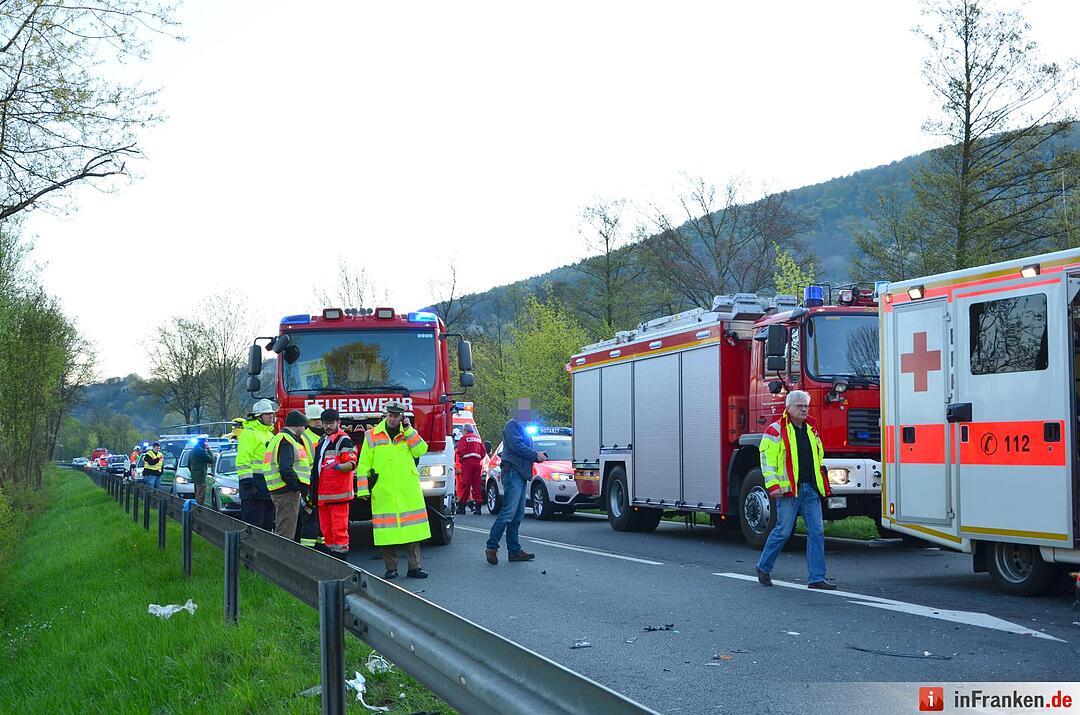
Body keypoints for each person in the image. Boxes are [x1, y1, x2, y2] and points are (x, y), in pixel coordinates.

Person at [755, 389, 836, 590]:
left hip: (810, 490)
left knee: (817, 532)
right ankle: (763, 567)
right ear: (788, 408)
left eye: (805, 406)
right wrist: (773, 486)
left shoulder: (811, 429)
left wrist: (822, 486)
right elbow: (768, 462)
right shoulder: (775, 431)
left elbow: (817, 459)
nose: (803, 410)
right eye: (799, 406)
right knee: (783, 532)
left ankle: (816, 578)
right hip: (789, 491)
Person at [356, 401, 430, 579]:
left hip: (407, 490)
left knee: (412, 531)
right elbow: (363, 464)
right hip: (384, 489)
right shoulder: (372, 435)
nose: (392, 419)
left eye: (396, 416)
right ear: (385, 415)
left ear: (402, 417)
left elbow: (421, 450)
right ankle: (391, 568)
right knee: (385, 532)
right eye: (390, 415)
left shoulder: (409, 434)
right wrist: (363, 490)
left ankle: (415, 568)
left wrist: (409, 430)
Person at [486, 399, 547, 565]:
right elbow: (517, 446)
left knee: (517, 515)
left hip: (519, 473)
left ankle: (514, 550)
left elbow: (521, 446)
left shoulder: (522, 428)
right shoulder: (512, 425)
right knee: (508, 513)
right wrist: (536, 455)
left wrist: (537, 453)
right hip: (512, 472)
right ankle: (491, 547)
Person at [313, 409, 357, 556]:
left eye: (331, 423)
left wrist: (337, 466)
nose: (328, 426)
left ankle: (341, 561)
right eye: (325, 423)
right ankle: (332, 560)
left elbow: (352, 464)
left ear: (338, 422)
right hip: (323, 495)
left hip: (339, 495)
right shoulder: (322, 440)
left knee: (339, 531)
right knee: (327, 532)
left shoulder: (344, 440)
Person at [264, 410, 311, 540]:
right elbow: (285, 469)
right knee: (286, 531)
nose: (305, 429)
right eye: (304, 426)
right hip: (286, 491)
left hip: (279, 489)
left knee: (284, 526)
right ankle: (281, 558)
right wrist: (296, 486)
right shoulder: (287, 440)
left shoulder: (279, 438)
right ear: (297, 426)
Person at [238, 399, 277, 530]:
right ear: (259, 417)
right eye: (267, 414)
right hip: (253, 486)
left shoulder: (270, 434)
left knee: (267, 525)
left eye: (272, 414)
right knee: (253, 526)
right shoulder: (249, 433)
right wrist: (248, 484)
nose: (271, 416)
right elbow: (243, 460)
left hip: (267, 486)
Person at [298, 404, 326, 547]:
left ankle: (322, 548)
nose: (318, 422)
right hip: (310, 483)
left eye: (319, 419)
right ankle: (307, 551)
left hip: (322, 483)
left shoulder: (323, 436)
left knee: (321, 519)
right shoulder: (305, 437)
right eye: (314, 419)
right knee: (310, 518)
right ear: (308, 421)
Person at [455, 424, 487, 515]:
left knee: (465, 485)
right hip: (477, 464)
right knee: (477, 486)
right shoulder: (478, 439)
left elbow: (460, 451)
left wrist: (462, 460)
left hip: (467, 464)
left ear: (465, 430)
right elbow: (483, 453)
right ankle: (478, 508)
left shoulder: (464, 438)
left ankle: (461, 507)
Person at [188, 437, 215, 506]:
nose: (206, 443)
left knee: (197, 494)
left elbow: (188, 464)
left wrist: (194, 472)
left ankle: (195, 512)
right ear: (203, 442)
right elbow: (211, 460)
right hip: (201, 477)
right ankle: (198, 512)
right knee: (200, 496)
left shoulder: (193, 450)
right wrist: (208, 449)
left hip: (195, 477)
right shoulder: (201, 451)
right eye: (206, 442)